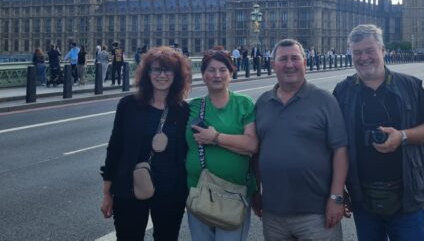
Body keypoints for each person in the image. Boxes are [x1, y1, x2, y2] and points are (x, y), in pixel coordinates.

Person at [333, 24, 424, 240]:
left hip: (406, 196)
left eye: (369, 50)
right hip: (363, 199)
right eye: (357, 52)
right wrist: (337, 193)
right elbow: (335, 146)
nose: (364, 57)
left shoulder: (409, 86)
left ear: (383, 51)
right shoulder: (342, 92)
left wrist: (402, 136)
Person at [253, 39, 348, 240]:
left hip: (317, 213)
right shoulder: (263, 102)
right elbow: (257, 152)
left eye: (295, 58)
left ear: (305, 62)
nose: (289, 64)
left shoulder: (324, 100)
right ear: (272, 64)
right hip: (273, 214)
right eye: (283, 59)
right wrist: (256, 192)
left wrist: (336, 197)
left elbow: (340, 150)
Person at [100, 47, 192, 240]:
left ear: (177, 76)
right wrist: (107, 193)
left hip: (171, 191)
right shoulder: (128, 105)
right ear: (147, 73)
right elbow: (115, 148)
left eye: (168, 70)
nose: (162, 75)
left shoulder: (183, 110)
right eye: (156, 69)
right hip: (131, 188)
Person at [186, 49, 258, 240]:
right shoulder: (193, 106)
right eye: (211, 70)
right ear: (203, 75)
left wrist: (215, 137)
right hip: (198, 191)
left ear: (231, 73)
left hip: (234, 194)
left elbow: (252, 145)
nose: (217, 75)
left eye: (222, 69)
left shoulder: (244, 103)